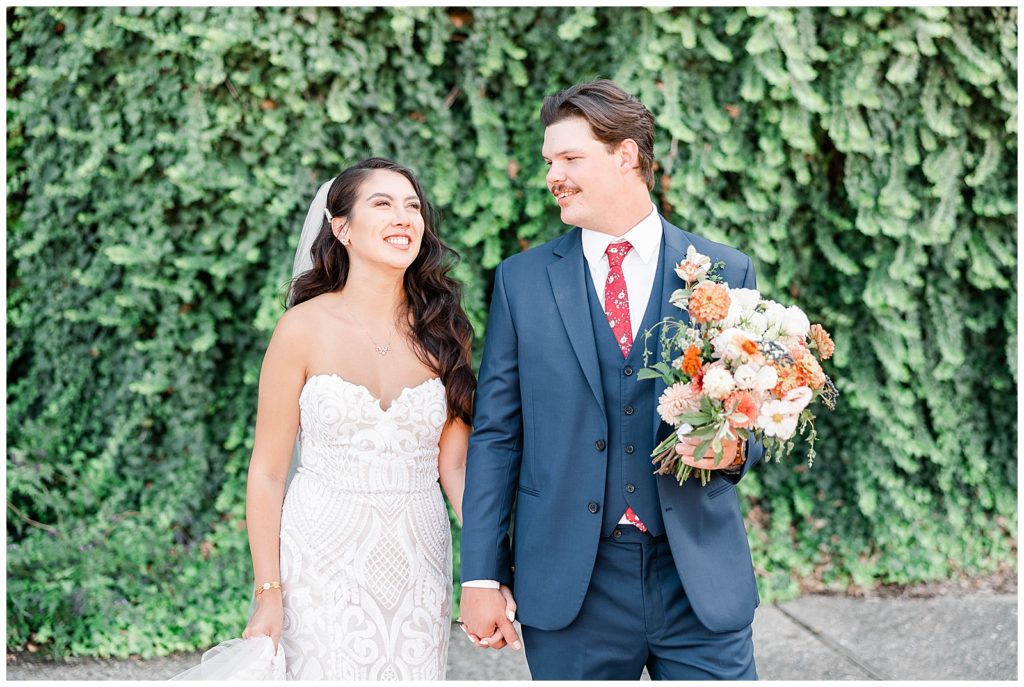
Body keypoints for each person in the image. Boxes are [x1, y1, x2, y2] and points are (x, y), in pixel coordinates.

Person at [458, 80, 764, 680]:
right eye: (549, 162)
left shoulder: (724, 271)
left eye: (570, 158)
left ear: (625, 155)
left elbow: (748, 408)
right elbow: (497, 436)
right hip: (571, 585)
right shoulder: (522, 282)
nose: (554, 177)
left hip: (698, 579)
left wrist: (732, 451)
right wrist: (481, 576)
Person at [231, 157, 510, 680]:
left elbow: (455, 468)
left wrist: (491, 570)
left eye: (412, 206)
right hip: (319, 558)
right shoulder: (301, 329)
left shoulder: (443, 331)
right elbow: (267, 473)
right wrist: (268, 592)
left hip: (417, 559)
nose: (403, 217)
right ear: (342, 228)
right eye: (382, 204)